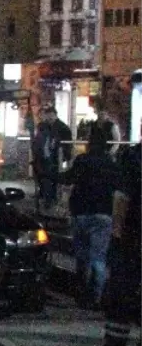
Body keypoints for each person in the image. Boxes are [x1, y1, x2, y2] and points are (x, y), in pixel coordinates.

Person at [92, 125, 142, 346]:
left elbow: (121, 199)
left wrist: (117, 233)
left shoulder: (133, 158)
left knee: (121, 291)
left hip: (134, 237)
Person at [59, 127, 119, 309]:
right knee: (99, 258)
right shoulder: (111, 163)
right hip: (103, 214)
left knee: (82, 256)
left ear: (90, 144)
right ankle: (97, 296)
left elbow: (68, 178)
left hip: (81, 212)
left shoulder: (82, 160)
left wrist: (48, 175)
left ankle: (82, 292)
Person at [31, 105, 72, 211]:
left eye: (50, 115)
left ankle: (48, 200)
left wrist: (63, 157)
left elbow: (66, 146)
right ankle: (47, 198)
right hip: (46, 158)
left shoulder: (61, 128)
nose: (48, 118)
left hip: (53, 159)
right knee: (45, 179)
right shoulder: (45, 127)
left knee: (49, 179)